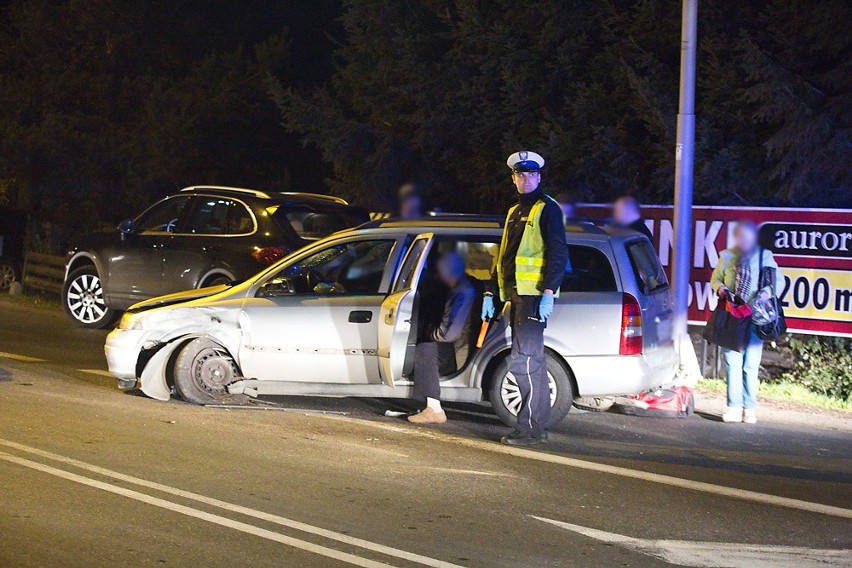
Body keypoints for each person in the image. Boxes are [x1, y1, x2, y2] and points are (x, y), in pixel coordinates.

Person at [482, 150, 569, 446]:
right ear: (514, 179)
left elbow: (558, 253)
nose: (525, 179)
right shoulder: (513, 212)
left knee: (525, 360)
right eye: (520, 174)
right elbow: (505, 255)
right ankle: (534, 425)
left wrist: (548, 293)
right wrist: (491, 291)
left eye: (531, 174)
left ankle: (531, 428)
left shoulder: (548, 209)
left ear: (539, 177)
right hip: (517, 295)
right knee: (528, 360)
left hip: (533, 297)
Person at [710, 220, 783, 424]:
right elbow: (715, 279)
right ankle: (733, 406)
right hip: (733, 313)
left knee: (750, 363)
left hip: (755, 315)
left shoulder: (764, 256)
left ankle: (749, 408)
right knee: (732, 361)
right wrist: (721, 289)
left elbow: (778, 281)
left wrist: (765, 294)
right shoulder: (727, 256)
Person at [408, 251, 477, 424]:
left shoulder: (462, 291)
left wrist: (429, 332)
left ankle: (434, 409)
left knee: (425, 348)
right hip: (456, 346)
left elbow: (449, 334)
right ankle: (428, 406)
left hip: (457, 353)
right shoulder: (462, 286)